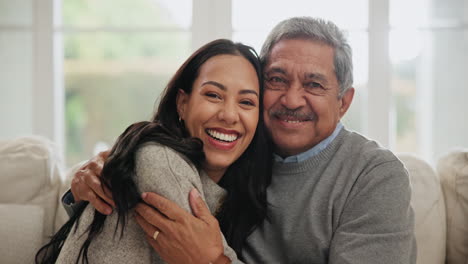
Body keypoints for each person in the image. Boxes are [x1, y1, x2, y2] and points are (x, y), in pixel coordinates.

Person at [65, 17, 417, 263]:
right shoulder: (231, 150)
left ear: (344, 102)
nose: (292, 100)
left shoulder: (374, 176)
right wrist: (91, 181)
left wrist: (212, 260)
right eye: (277, 79)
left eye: (313, 84)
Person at [36, 39, 272, 264]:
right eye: (213, 95)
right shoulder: (159, 159)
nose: (229, 115)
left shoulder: (237, 192)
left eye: (247, 102)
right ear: (182, 103)